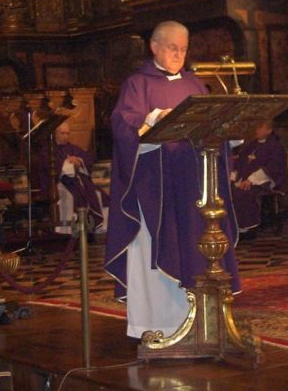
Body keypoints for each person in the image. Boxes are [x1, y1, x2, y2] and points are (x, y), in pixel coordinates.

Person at [104, 20, 241, 339]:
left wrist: (229, 133)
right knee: (160, 249)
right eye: (172, 48)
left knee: (196, 246)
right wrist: (152, 119)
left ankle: (203, 322)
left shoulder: (196, 85)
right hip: (157, 188)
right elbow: (124, 125)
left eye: (183, 49)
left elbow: (212, 124)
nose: (179, 54)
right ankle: (159, 326)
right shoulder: (138, 84)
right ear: (154, 47)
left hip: (194, 186)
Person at [38, 121, 109, 233]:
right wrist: (67, 163)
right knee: (70, 196)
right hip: (58, 183)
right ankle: (67, 230)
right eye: (62, 133)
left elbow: (88, 159)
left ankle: (95, 227)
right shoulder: (47, 150)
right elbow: (50, 168)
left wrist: (79, 161)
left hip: (77, 182)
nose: (66, 136)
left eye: (67, 133)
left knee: (99, 194)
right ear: (55, 133)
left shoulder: (73, 148)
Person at [231, 120, 288, 239]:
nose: (256, 130)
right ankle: (233, 228)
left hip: (266, 180)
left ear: (269, 130)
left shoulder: (275, 147)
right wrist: (233, 179)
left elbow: (273, 168)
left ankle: (248, 229)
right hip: (245, 181)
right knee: (229, 191)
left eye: (259, 127)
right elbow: (239, 163)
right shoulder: (251, 146)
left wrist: (251, 180)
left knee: (243, 194)